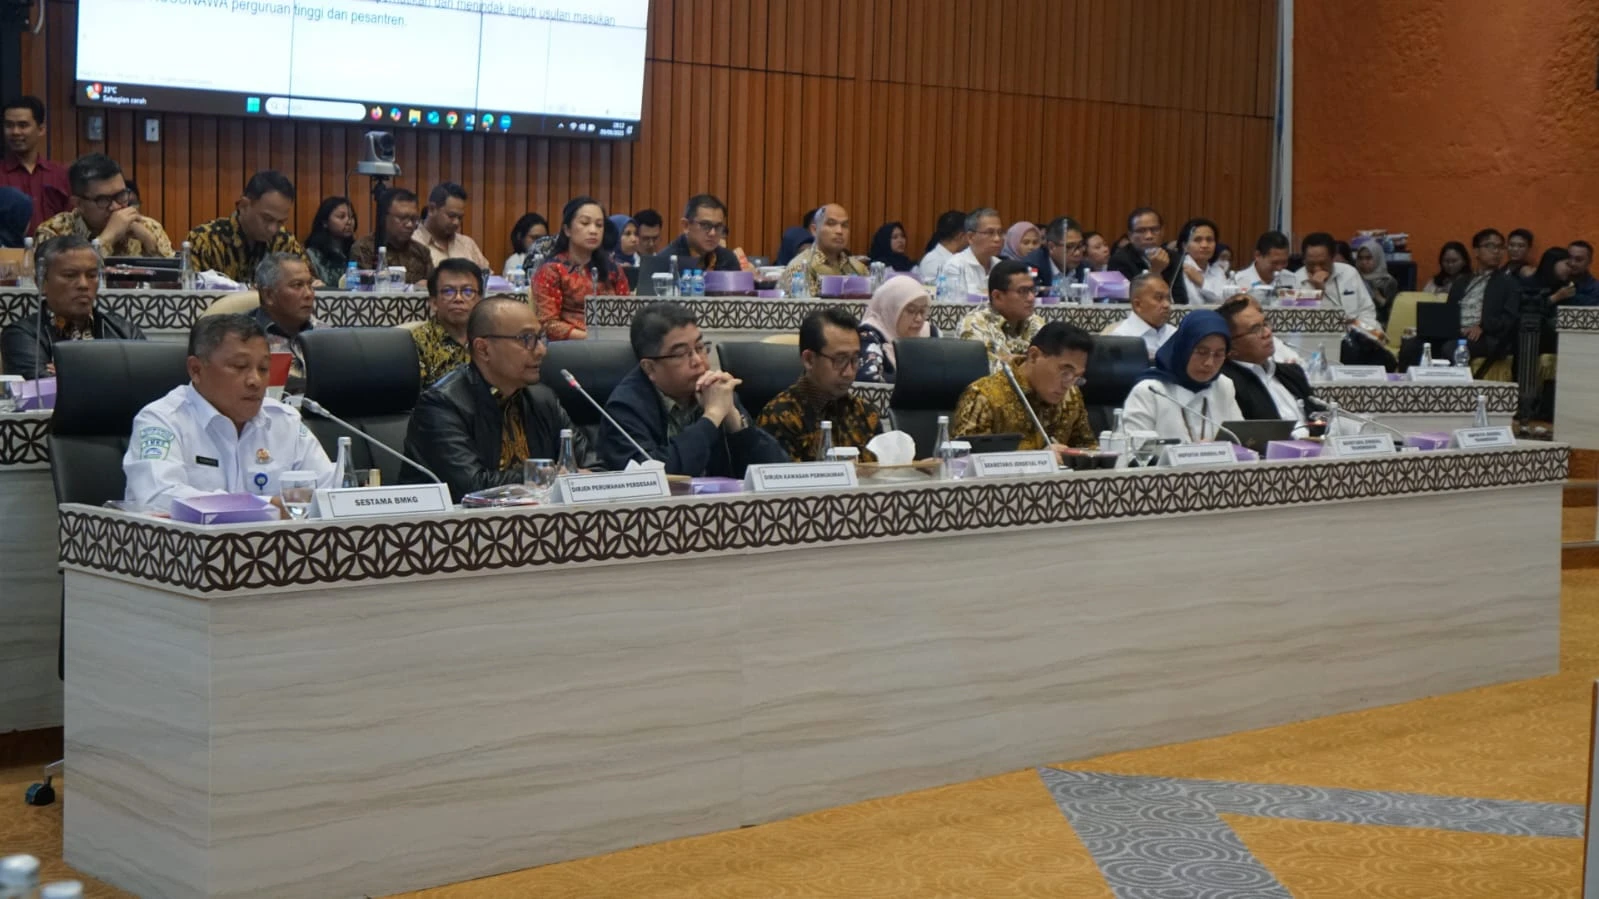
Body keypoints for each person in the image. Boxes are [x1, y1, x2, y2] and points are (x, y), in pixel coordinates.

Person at [122, 314, 336, 513]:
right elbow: (157, 498)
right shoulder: (162, 421)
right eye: (240, 366)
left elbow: (331, 492)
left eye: (263, 368)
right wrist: (265, 507)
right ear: (196, 370)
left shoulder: (285, 422)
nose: (255, 381)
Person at [404, 297, 588, 501]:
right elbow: (471, 488)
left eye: (540, 337)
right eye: (526, 339)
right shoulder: (442, 405)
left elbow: (591, 464)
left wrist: (571, 477)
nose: (541, 350)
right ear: (483, 349)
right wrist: (549, 476)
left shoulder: (543, 399)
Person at [600, 302, 787, 476]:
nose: (698, 360)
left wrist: (733, 420)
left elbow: (776, 474)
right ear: (650, 368)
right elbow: (653, 478)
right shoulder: (624, 409)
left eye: (700, 347)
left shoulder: (714, 391)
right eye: (681, 353)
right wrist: (712, 417)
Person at [1, 234, 145, 376]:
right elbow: (41, 385)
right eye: (70, 275)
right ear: (41, 283)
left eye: (91, 275)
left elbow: (146, 380)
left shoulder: (125, 332)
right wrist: (115, 371)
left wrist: (69, 371)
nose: (83, 285)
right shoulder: (21, 335)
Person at [952, 321, 1098, 455]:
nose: (1068, 384)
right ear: (1034, 356)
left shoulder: (1072, 396)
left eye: (1076, 377)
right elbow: (962, 461)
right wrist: (1039, 459)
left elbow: (1088, 449)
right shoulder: (984, 396)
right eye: (1065, 372)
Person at [757, 308, 881, 463]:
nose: (849, 372)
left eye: (855, 359)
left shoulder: (865, 414)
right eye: (840, 360)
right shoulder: (781, 417)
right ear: (809, 359)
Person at [1121, 309, 1242, 441]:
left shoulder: (1223, 385)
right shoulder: (1150, 391)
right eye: (1202, 352)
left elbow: (1240, 441)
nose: (1209, 363)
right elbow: (1134, 449)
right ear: (1184, 348)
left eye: (1218, 355)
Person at [32, 153, 173, 257]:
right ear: (78, 203)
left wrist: (149, 243)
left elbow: (175, 281)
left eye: (121, 195)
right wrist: (108, 238)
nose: (116, 207)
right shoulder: (53, 232)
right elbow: (66, 277)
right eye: (103, 200)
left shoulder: (149, 227)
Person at [534, 196, 631, 342]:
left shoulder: (613, 268)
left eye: (599, 225)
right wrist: (592, 339)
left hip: (612, 342)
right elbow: (548, 324)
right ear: (567, 230)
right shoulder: (552, 270)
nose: (593, 230)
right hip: (570, 346)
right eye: (585, 223)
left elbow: (626, 312)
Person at [185, 170, 305, 283]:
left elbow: (308, 284)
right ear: (244, 205)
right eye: (267, 219)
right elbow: (192, 292)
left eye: (281, 222)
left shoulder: (284, 241)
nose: (273, 229)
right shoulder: (206, 241)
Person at [1217, 294, 1316, 427]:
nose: (1268, 333)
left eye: (1265, 324)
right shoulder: (1226, 383)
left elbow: (1319, 418)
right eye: (1256, 329)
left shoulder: (1293, 373)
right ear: (1230, 346)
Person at [1293, 232, 1390, 366]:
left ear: (1333, 258)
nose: (1317, 269)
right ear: (1303, 260)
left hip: (1357, 334)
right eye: (1311, 264)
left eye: (1323, 263)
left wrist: (1359, 329)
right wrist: (1317, 293)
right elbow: (1299, 324)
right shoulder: (1295, 281)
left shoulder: (1349, 273)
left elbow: (1367, 310)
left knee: (1382, 355)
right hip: (1320, 343)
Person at [1445, 229, 1521, 375]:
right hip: (1456, 333)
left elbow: (1509, 318)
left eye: (1500, 247)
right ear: (1476, 252)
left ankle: (1456, 389)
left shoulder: (1509, 283)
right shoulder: (1461, 282)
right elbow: (1449, 311)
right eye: (1490, 246)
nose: (1496, 251)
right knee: (1413, 345)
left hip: (1487, 338)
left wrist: (1483, 327)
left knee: (1452, 348)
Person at [248, 252, 319, 395]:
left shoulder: (325, 334)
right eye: (297, 285)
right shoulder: (244, 337)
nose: (309, 294)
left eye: (310, 285)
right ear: (268, 295)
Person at [957, 258, 1046, 371]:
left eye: (1033, 290)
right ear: (997, 296)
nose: (1031, 298)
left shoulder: (1036, 322)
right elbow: (987, 371)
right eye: (1022, 291)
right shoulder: (975, 324)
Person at [0, 96, 69, 234]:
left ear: (41, 129)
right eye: (9, 125)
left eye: (23, 125)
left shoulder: (61, 174)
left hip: (55, 246)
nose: (15, 132)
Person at [412, 258, 485, 386]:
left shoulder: (491, 339)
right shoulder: (416, 343)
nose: (458, 298)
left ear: (479, 300)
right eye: (448, 291)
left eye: (468, 291)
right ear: (434, 303)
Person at [857, 274, 936, 383]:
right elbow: (868, 379)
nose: (919, 319)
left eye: (922, 311)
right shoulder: (870, 335)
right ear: (891, 310)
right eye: (911, 311)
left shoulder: (930, 332)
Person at [784, 203, 869, 296]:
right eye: (831, 224)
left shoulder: (858, 268)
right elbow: (806, 304)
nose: (839, 231)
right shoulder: (800, 267)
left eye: (844, 225)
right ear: (814, 230)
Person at [351, 187, 431, 284]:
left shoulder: (421, 252)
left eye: (414, 219)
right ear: (384, 217)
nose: (410, 224)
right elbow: (364, 288)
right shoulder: (364, 248)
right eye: (402, 218)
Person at [411, 181, 491, 271]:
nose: (456, 222)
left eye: (460, 217)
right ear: (432, 209)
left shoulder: (467, 244)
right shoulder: (411, 243)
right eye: (451, 216)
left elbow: (487, 276)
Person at [659, 194, 742, 271]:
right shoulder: (666, 262)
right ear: (686, 225)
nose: (712, 233)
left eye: (718, 226)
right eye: (705, 225)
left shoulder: (727, 259)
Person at [1106, 273, 1176, 360]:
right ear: (1137, 305)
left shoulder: (1175, 334)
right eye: (1159, 298)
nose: (1167, 305)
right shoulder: (1121, 338)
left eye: (1168, 298)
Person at [941, 208, 1004, 297]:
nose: (997, 239)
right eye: (990, 233)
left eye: (1000, 232)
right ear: (970, 237)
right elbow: (953, 303)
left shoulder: (1000, 266)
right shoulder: (955, 266)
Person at [1108, 207, 1177, 282]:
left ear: (1162, 231)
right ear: (1130, 236)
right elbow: (1131, 290)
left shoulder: (1174, 257)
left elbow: (1178, 289)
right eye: (1141, 231)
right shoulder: (1119, 261)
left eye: (1154, 229)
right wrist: (1155, 271)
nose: (1149, 236)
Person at [1171, 218, 1229, 305]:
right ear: (1184, 246)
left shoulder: (1218, 271)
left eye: (1209, 240)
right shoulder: (1177, 270)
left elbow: (1226, 302)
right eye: (1197, 240)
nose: (1204, 245)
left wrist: (1201, 282)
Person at [302, 196, 357, 287]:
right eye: (341, 217)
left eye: (352, 217)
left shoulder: (356, 250)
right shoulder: (312, 255)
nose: (349, 222)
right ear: (325, 222)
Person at [1022, 216, 1086, 291]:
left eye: (1080, 245)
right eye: (1069, 246)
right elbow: (1032, 292)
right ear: (1051, 247)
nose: (1077, 253)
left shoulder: (1085, 267)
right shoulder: (1033, 265)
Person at [1354, 239, 1399, 325]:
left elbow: (1394, 312)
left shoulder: (1388, 281)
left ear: (1377, 258)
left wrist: (1377, 297)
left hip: (1381, 324)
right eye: (1360, 258)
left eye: (1368, 258)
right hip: (1356, 323)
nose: (1364, 262)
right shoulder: (1353, 277)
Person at [917, 209, 969, 282]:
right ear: (960, 236)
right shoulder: (932, 261)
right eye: (969, 234)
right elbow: (933, 288)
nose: (971, 239)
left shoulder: (963, 257)